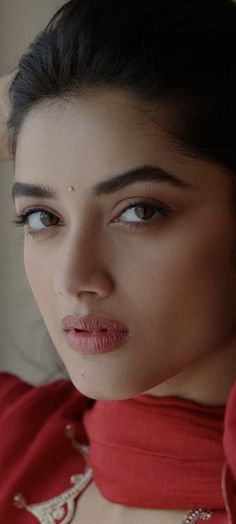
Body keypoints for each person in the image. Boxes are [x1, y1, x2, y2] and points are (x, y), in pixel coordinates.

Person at [0, 0, 236, 522]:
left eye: (140, 211)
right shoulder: (14, 443)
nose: (73, 278)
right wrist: (27, 100)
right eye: (41, 218)